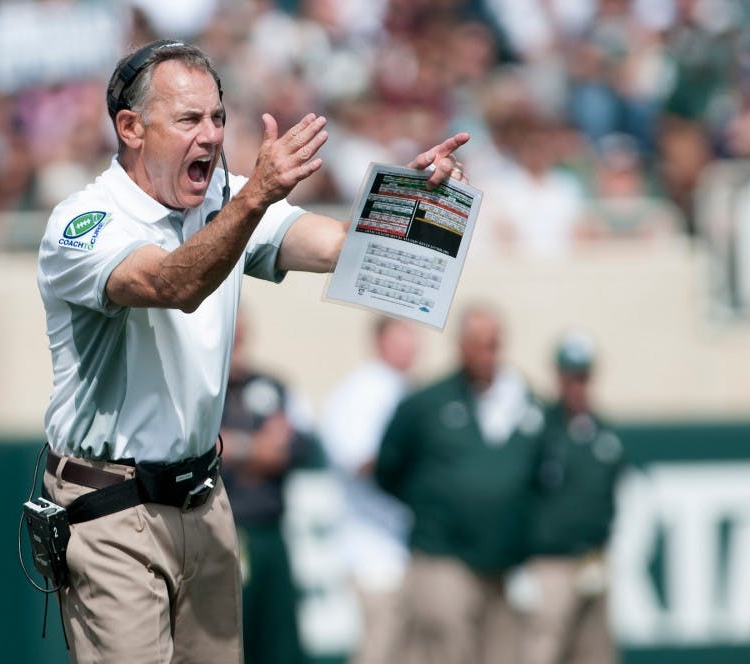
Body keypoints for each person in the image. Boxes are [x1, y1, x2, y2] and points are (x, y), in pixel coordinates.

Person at [35, 39, 470, 663]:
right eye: (188, 119)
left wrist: (422, 202)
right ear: (130, 127)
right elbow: (169, 284)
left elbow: (345, 248)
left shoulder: (226, 200)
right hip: (111, 508)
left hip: (204, 499)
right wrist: (252, 198)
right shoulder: (85, 221)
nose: (210, 136)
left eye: (217, 116)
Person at [375, 303, 545, 664]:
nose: (489, 352)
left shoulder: (521, 401)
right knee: (448, 649)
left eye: (494, 343)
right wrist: (434, 504)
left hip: (501, 560)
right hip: (442, 553)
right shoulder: (427, 404)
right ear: (461, 346)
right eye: (480, 342)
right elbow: (388, 468)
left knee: (501, 653)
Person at [319, 317, 418, 664]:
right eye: (401, 341)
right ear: (379, 342)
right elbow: (357, 460)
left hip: (407, 546)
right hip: (372, 548)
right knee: (380, 645)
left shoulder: (407, 390)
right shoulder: (360, 392)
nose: (411, 349)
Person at [523, 331, 624, 664]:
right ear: (559, 377)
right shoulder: (541, 429)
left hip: (592, 559)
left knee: (594, 649)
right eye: (570, 376)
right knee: (545, 644)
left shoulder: (602, 433)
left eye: (582, 376)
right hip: (551, 562)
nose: (576, 385)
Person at [219, 313, 312, 664]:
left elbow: (300, 444)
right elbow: (203, 450)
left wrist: (236, 449)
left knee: (278, 639)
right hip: (225, 530)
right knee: (231, 636)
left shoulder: (273, 386)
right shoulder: (201, 389)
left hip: (271, 531)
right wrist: (254, 448)